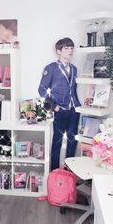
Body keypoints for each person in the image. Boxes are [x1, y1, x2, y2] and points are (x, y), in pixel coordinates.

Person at [38, 37, 81, 170]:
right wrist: (54, 106)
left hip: (74, 109)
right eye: (67, 48)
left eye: (71, 48)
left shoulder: (74, 68)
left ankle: (69, 172)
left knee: (72, 141)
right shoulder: (51, 68)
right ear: (58, 51)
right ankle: (55, 172)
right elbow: (42, 89)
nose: (70, 51)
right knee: (57, 142)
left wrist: (78, 105)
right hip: (60, 110)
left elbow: (73, 88)